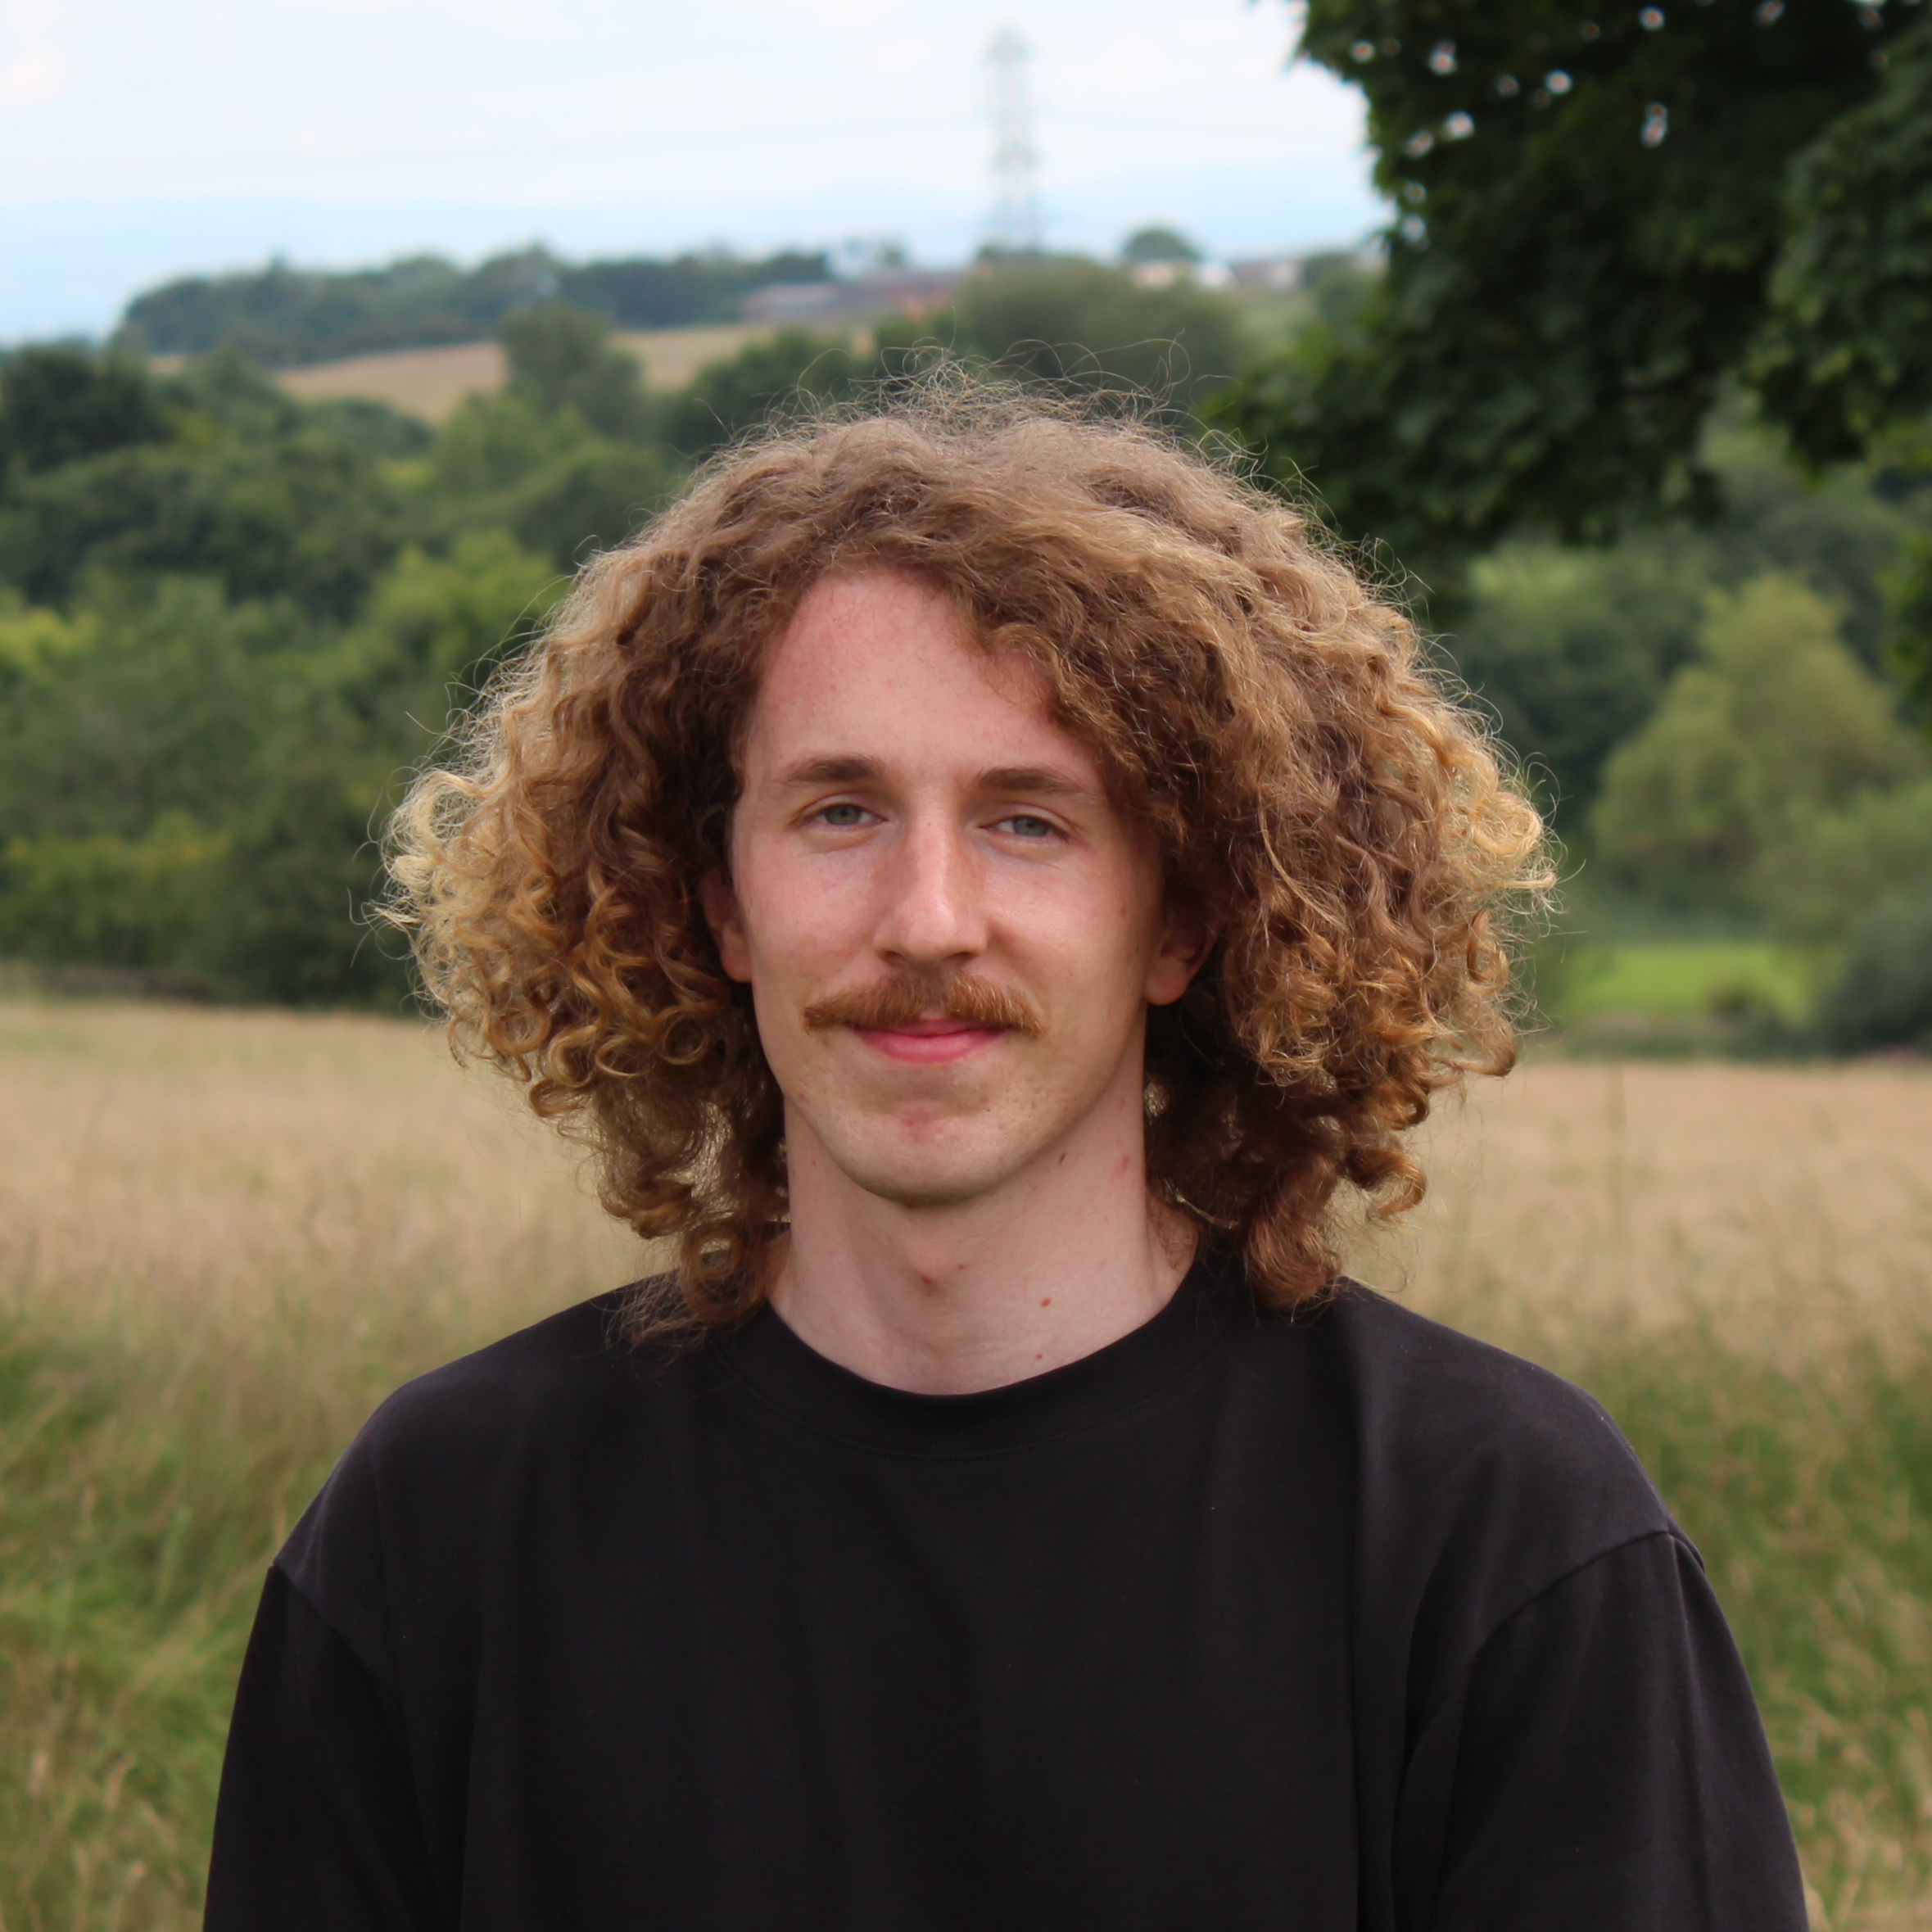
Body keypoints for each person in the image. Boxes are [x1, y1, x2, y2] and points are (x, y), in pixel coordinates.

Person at [204, 391, 1808, 1930]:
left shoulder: (1502, 1537)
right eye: (839, 812)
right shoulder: (443, 1534)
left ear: (1179, 914)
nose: (925, 921)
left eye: (1028, 819)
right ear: (718, 901)